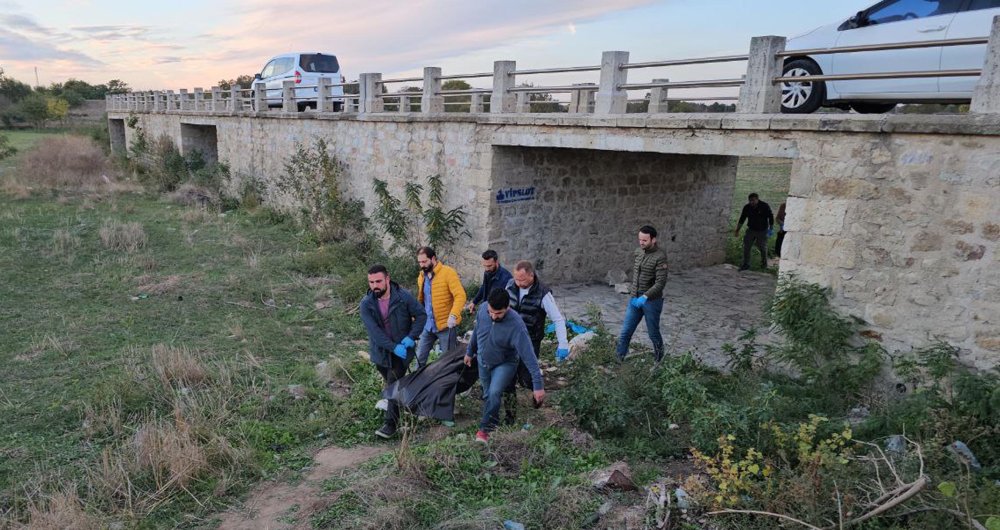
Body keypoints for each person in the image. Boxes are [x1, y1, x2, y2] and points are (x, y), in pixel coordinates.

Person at [464, 288, 545, 443]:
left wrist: (538, 385)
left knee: (494, 393)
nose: (494, 317)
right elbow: (477, 331)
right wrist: (470, 351)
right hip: (483, 361)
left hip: (505, 363)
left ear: (507, 307)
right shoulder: (483, 309)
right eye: (491, 313)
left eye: (499, 314)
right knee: (488, 395)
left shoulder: (516, 325)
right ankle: (494, 423)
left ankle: (484, 430)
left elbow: (529, 356)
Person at [359, 265, 426, 439]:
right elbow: (375, 333)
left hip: (402, 352)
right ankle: (411, 404)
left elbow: (421, 315)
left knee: (393, 383)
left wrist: (411, 337)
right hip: (381, 352)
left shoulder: (403, 297)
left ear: (387, 279)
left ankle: (390, 425)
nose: (375, 286)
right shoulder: (366, 304)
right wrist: (393, 347)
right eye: (371, 282)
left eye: (378, 281)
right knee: (393, 384)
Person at [502, 260, 570, 424]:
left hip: (530, 341)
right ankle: (510, 417)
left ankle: (537, 395)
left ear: (531, 276)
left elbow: (558, 319)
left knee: (526, 378)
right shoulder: (510, 285)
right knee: (508, 378)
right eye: (516, 279)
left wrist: (563, 344)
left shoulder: (543, 293)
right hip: (510, 341)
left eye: (522, 280)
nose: (518, 283)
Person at [616, 225, 668, 362]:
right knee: (626, 331)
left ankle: (659, 360)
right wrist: (634, 294)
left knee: (653, 333)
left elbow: (660, 282)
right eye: (640, 239)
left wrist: (645, 296)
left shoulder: (660, 257)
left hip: (652, 301)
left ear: (653, 240)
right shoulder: (638, 252)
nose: (641, 242)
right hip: (635, 299)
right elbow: (637, 275)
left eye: (645, 240)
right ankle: (619, 358)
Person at [415, 246, 467, 369]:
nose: (422, 265)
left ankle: (449, 386)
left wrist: (453, 315)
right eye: (420, 262)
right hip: (428, 326)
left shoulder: (448, 273)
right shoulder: (421, 277)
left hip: (446, 326)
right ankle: (416, 385)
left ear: (433, 258)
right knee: (419, 358)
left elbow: (460, 295)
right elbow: (422, 300)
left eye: (424, 261)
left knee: (448, 362)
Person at [734, 192, 774, 271]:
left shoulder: (764, 206)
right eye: (750, 200)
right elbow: (742, 219)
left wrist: (771, 228)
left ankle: (764, 265)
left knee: (763, 248)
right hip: (751, 230)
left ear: (757, 199)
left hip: (762, 231)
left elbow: (770, 216)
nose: (751, 202)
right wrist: (737, 230)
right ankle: (746, 264)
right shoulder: (747, 207)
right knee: (747, 247)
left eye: (753, 200)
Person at [465, 249, 513, 315]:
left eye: (489, 266)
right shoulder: (488, 272)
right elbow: (484, 287)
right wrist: (474, 302)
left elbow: (503, 301)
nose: (487, 269)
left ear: (496, 262)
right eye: (485, 266)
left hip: (497, 312)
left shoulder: (506, 278)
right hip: (487, 308)